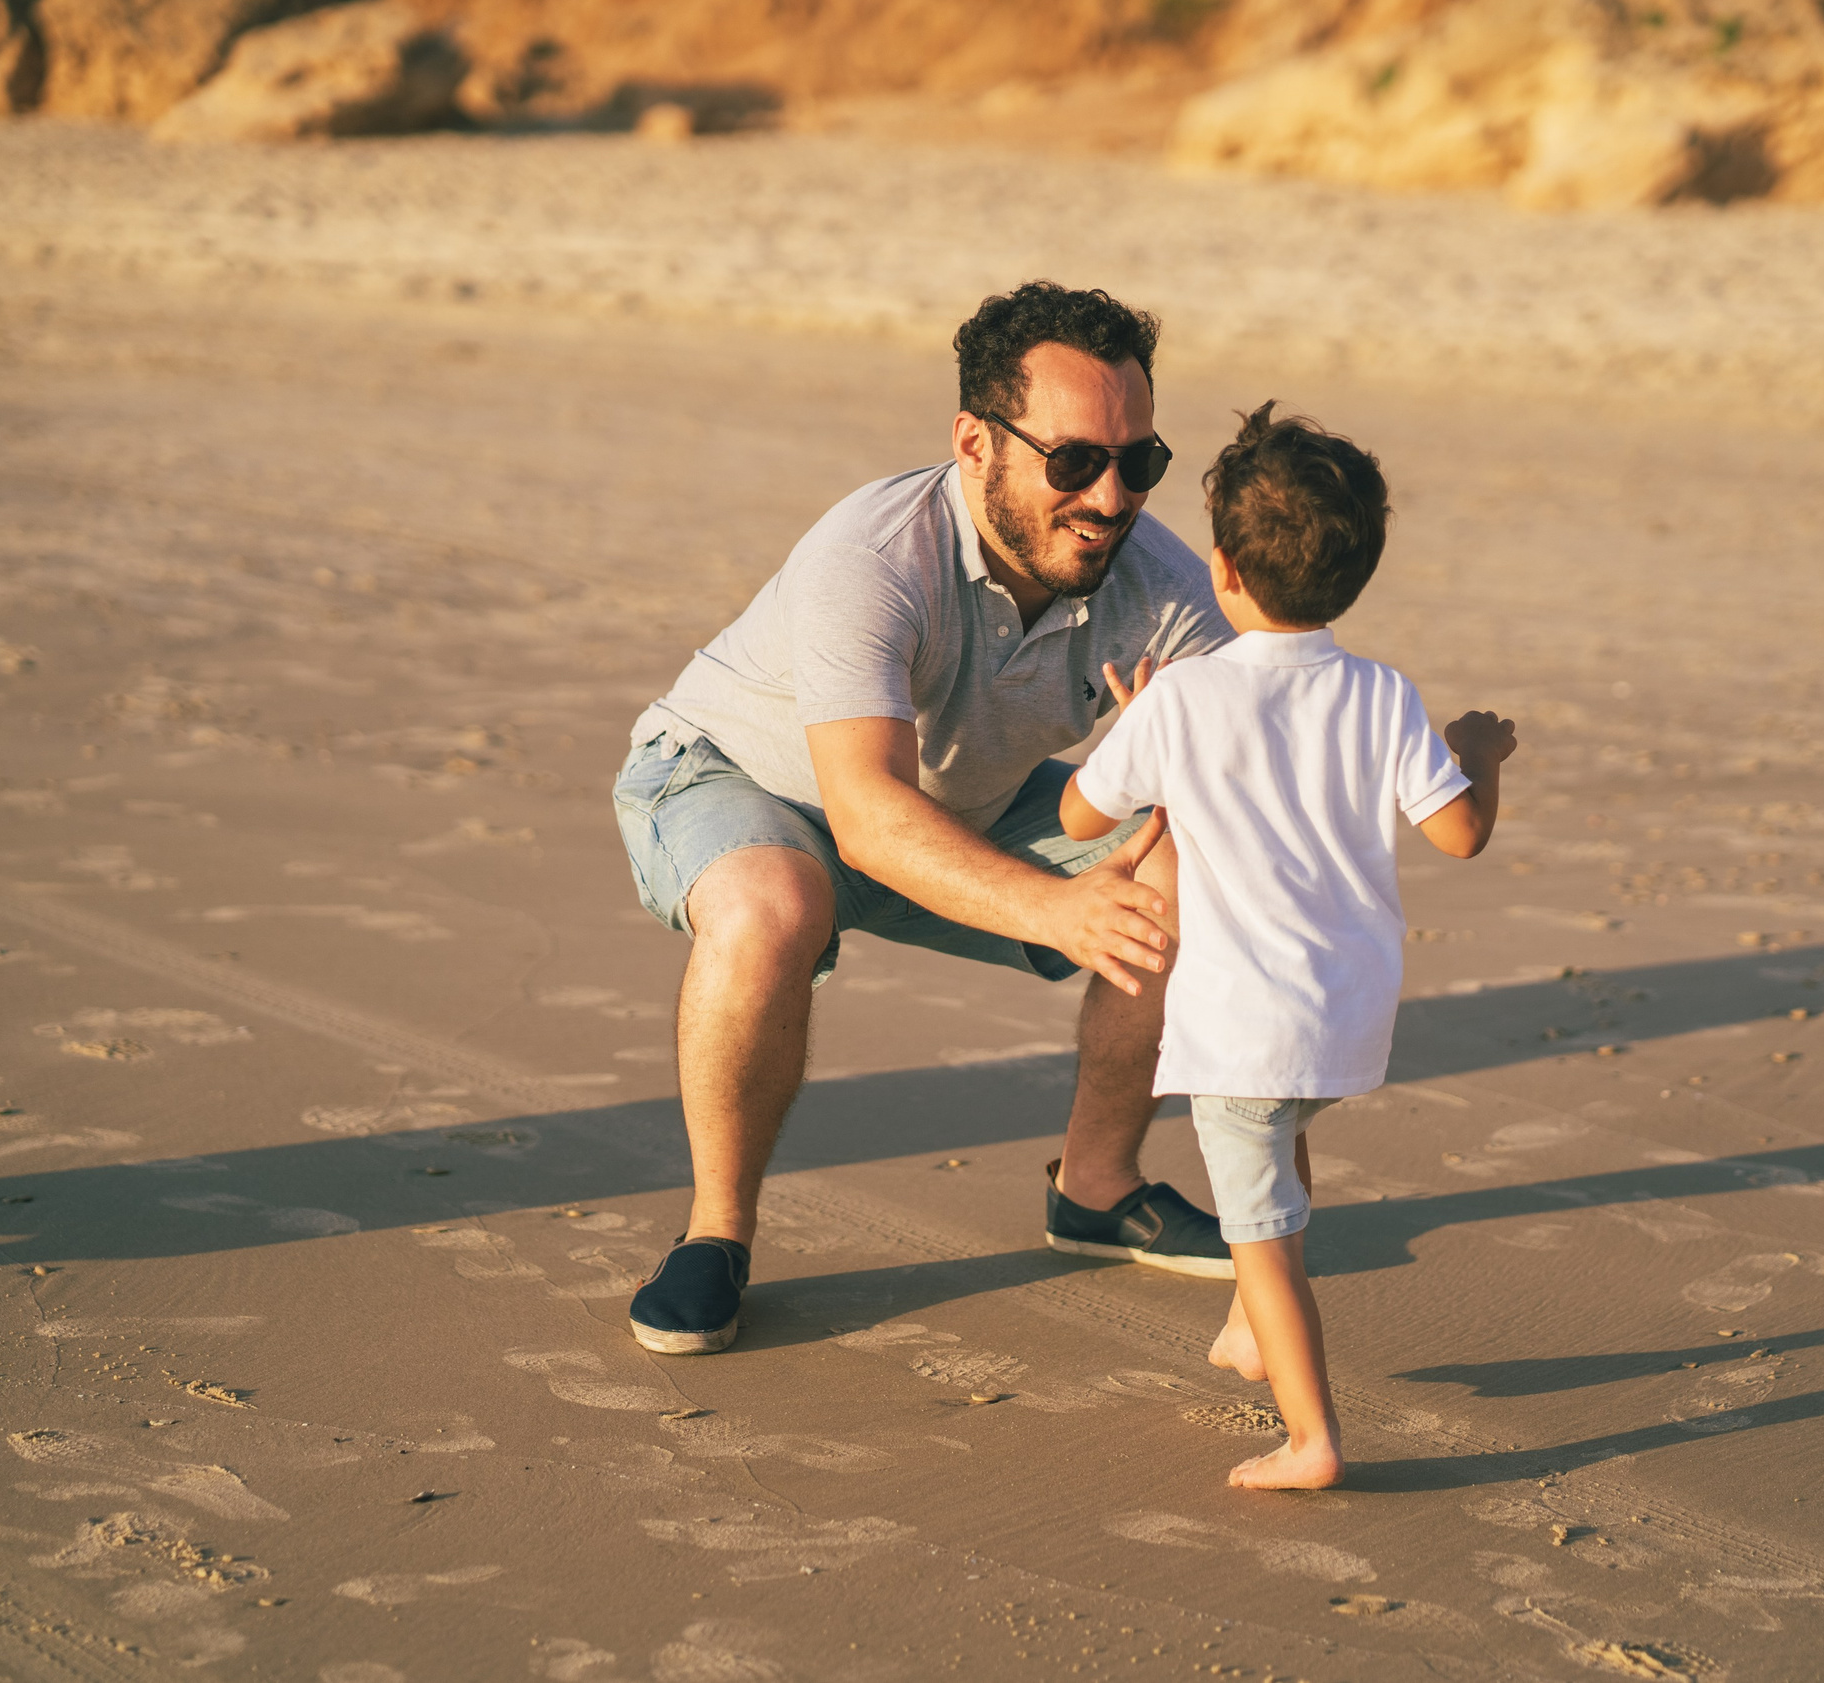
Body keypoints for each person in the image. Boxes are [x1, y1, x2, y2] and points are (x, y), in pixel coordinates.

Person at [611, 281, 1239, 1356]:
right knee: (775, 902)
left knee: (1194, 859)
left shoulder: (1162, 586)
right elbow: (862, 814)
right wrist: (1057, 911)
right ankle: (716, 1234)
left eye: (1139, 462)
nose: (1111, 496)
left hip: (961, 804)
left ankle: (1094, 1189)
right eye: (1075, 459)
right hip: (740, 783)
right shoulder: (871, 556)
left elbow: (1264, 766)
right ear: (974, 442)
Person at [1058, 404, 1517, 1489]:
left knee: (1256, 1228)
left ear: (1219, 569)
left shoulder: (1186, 699)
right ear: (1352, 578)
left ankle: (1310, 1436)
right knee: (1277, 1150)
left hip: (1240, 1021)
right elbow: (1460, 834)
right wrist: (1478, 755)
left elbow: (1081, 820)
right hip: (1343, 1014)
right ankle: (1247, 1331)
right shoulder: (1381, 693)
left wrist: (1136, 727)